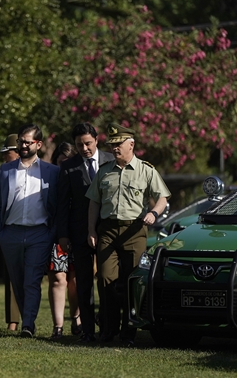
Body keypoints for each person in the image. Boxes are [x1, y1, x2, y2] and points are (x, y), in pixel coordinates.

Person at [86, 123, 170, 346]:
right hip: (107, 231)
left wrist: (153, 212)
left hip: (134, 231)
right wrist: (91, 230)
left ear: (131, 144)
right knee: (105, 279)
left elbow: (162, 198)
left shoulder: (146, 170)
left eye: (118, 144)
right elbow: (94, 202)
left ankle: (128, 333)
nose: (114, 148)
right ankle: (107, 329)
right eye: (111, 145)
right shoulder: (104, 171)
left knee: (132, 282)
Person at [0, 123, 59, 338]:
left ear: (38, 144)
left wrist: (52, 233)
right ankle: (26, 318)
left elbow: (57, 206)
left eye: (27, 142)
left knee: (32, 280)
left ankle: (28, 325)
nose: (22, 145)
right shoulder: (6, 169)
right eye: (20, 141)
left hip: (39, 234)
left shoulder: (51, 172)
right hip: (10, 233)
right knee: (17, 280)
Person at [56, 123, 115, 343]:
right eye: (79, 144)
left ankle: (109, 328)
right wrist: (63, 234)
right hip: (79, 232)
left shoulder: (111, 161)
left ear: (96, 140)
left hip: (108, 231)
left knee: (108, 281)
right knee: (83, 282)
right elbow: (62, 203)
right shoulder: (68, 166)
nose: (84, 148)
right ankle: (88, 330)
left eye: (88, 143)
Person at [47, 142, 80, 340]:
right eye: (61, 163)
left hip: (77, 233)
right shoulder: (50, 179)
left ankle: (76, 319)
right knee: (58, 279)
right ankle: (57, 326)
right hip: (55, 235)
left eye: (67, 163)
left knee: (74, 281)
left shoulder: (79, 177)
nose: (64, 167)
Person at [0, 133, 21, 331]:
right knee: (11, 276)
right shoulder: (3, 172)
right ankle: (13, 320)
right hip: (9, 230)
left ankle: (27, 319)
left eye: (8, 152)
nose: (5, 157)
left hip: (33, 230)